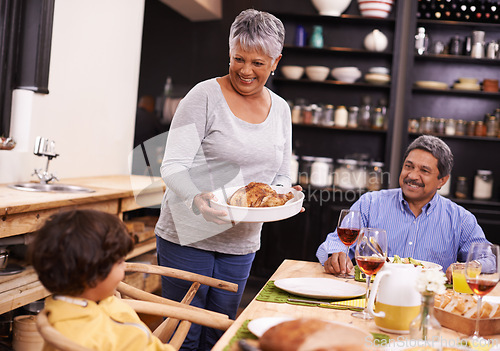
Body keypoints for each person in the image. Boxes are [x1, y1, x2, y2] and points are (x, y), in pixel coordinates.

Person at [154, 8, 297, 350]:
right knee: (183, 337)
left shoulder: (281, 110)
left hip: (241, 240)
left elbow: (281, 172)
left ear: (275, 61)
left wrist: (284, 195)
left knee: (221, 335)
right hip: (188, 236)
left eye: (258, 63)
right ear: (229, 53)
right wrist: (196, 197)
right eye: (239, 58)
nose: (246, 71)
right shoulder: (203, 97)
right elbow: (172, 165)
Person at [316, 135, 489, 280]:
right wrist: (336, 255)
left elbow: (488, 258)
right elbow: (334, 243)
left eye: (424, 171)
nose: (412, 176)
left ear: (442, 180)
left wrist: (472, 266)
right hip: (373, 294)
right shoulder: (370, 203)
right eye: (409, 166)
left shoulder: (461, 218)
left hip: (430, 302)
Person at [28, 209, 175, 351]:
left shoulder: (101, 301)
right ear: (91, 273)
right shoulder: (81, 337)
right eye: (119, 263)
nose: (124, 268)